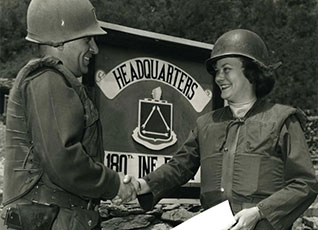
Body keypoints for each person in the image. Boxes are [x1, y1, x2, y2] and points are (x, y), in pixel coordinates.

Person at [119, 29, 318, 230]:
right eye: (216, 70)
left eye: (226, 69)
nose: (218, 77)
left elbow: (305, 183)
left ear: (251, 71)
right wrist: (141, 185)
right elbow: (178, 167)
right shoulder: (205, 124)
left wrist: (259, 212)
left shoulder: (282, 120)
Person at [0, 0, 137, 229]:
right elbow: (63, 160)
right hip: (50, 220)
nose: (95, 49)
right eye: (87, 39)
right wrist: (114, 184)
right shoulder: (49, 80)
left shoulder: (53, 81)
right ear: (59, 41)